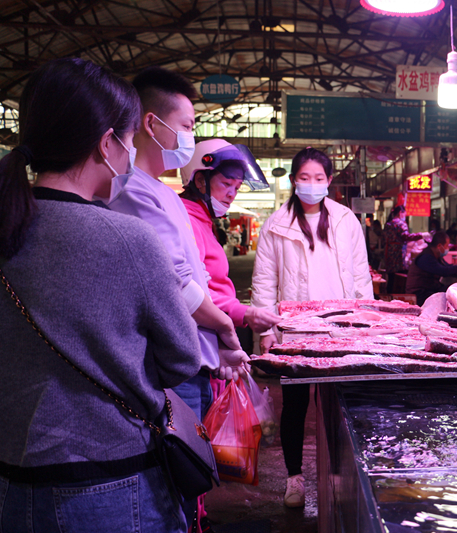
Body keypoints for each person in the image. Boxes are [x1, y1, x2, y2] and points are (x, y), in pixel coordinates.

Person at [0, 58, 200, 532]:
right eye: (130, 141)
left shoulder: (8, 226)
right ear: (107, 143)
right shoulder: (128, 238)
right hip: (112, 485)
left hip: (9, 481)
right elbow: (183, 358)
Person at [106, 67, 247, 531]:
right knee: (174, 488)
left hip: (192, 359)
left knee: (189, 484)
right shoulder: (133, 193)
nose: (190, 136)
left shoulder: (159, 193)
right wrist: (226, 328)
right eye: (186, 126)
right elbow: (178, 285)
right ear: (151, 124)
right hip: (170, 367)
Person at [251, 147, 373, 508]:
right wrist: (267, 332)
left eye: (319, 178)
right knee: (295, 405)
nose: (311, 184)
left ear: (329, 181)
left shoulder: (345, 220)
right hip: (295, 331)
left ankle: (341, 473)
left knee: (340, 403)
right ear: (293, 180)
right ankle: (294, 479)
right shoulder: (276, 225)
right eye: (304, 178)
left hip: (341, 328)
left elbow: (360, 275)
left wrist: (365, 323)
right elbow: (263, 282)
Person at [179, 139, 282, 356]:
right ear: (199, 180)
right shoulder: (186, 221)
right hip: (198, 345)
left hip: (211, 339)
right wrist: (242, 312)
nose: (232, 194)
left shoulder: (202, 221)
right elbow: (188, 288)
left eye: (237, 187)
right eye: (226, 184)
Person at [406, 231, 457, 304]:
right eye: (447, 246)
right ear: (439, 246)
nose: (448, 248)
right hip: (420, 294)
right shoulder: (426, 257)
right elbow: (443, 271)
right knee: (454, 291)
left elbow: (446, 266)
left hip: (430, 290)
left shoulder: (436, 255)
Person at [383, 205, 425, 293]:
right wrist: (421, 235)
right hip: (398, 254)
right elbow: (406, 236)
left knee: (391, 278)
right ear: (400, 213)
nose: (405, 217)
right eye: (404, 214)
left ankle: (389, 295)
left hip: (389, 253)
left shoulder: (388, 224)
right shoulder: (401, 224)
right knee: (399, 277)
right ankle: (398, 296)